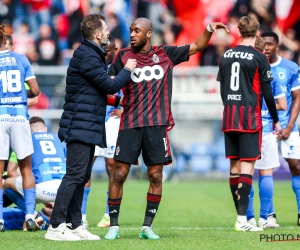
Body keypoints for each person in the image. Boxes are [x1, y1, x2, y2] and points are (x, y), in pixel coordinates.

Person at [104, 17, 229, 240]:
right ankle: (113, 225)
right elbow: (108, 85)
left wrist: (209, 28)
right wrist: (119, 104)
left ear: (148, 34)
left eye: (137, 31)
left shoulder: (165, 54)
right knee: (119, 173)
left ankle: (146, 227)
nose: (132, 34)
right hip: (130, 124)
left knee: (156, 175)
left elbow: (197, 46)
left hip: (157, 126)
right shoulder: (123, 56)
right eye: (131, 30)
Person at [45, 14, 136, 241]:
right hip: (80, 124)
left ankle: (75, 225)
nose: (108, 32)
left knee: (82, 174)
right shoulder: (88, 55)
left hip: (88, 123)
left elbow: (95, 92)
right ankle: (56, 226)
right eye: (105, 29)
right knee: (74, 175)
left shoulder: (91, 54)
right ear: (97, 34)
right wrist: (128, 69)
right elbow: (109, 85)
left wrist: (117, 102)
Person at [216, 16, 281, 232]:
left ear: (239, 31)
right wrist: (275, 118)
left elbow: (222, 89)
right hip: (249, 117)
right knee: (247, 167)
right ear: (257, 32)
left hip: (229, 115)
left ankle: (242, 218)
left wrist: (230, 106)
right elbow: (268, 94)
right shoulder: (259, 57)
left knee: (234, 168)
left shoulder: (226, 55)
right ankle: (243, 220)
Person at [0, 25, 40, 232]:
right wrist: (20, 94)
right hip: (19, 118)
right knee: (26, 168)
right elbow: (35, 90)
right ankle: (31, 215)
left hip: (0, 117)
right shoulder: (21, 59)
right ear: (5, 41)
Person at [246, 35, 287, 228]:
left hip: (246, 125)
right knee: (266, 172)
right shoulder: (269, 73)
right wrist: (272, 117)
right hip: (267, 126)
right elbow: (282, 104)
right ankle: (265, 218)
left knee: (246, 173)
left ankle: (248, 218)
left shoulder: (244, 71)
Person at [260, 31, 300, 226]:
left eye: (269, 44)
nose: (266, 47)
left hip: (288, 127)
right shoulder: (256, 66)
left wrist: (290, 125)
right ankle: (269, 215)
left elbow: (297, 97)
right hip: (264, 126)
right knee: (265, 170)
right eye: (263, 44)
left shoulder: (290, 68)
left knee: (297, 167)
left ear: (277, 46)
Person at [81, 35, 121, 227]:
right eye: (108, 50)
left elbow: (132, 95)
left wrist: (125, 109)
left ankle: (108, 214)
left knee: (112, 167)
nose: (110, 53)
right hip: (94, 120)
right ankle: (81, 215)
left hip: (113, 122)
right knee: (86, 167)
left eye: (112, 50)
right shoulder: (93, 66)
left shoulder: (123, 69)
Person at [4, 116, 66, 217]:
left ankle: (33, 214)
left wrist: (28, 188)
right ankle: (75, 216)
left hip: (40, 190)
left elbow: (11, 171)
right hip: (64, 190)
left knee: (7, 183)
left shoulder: (25, 141)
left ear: (28, 131)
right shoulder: (59, 140)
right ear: (45, 129)